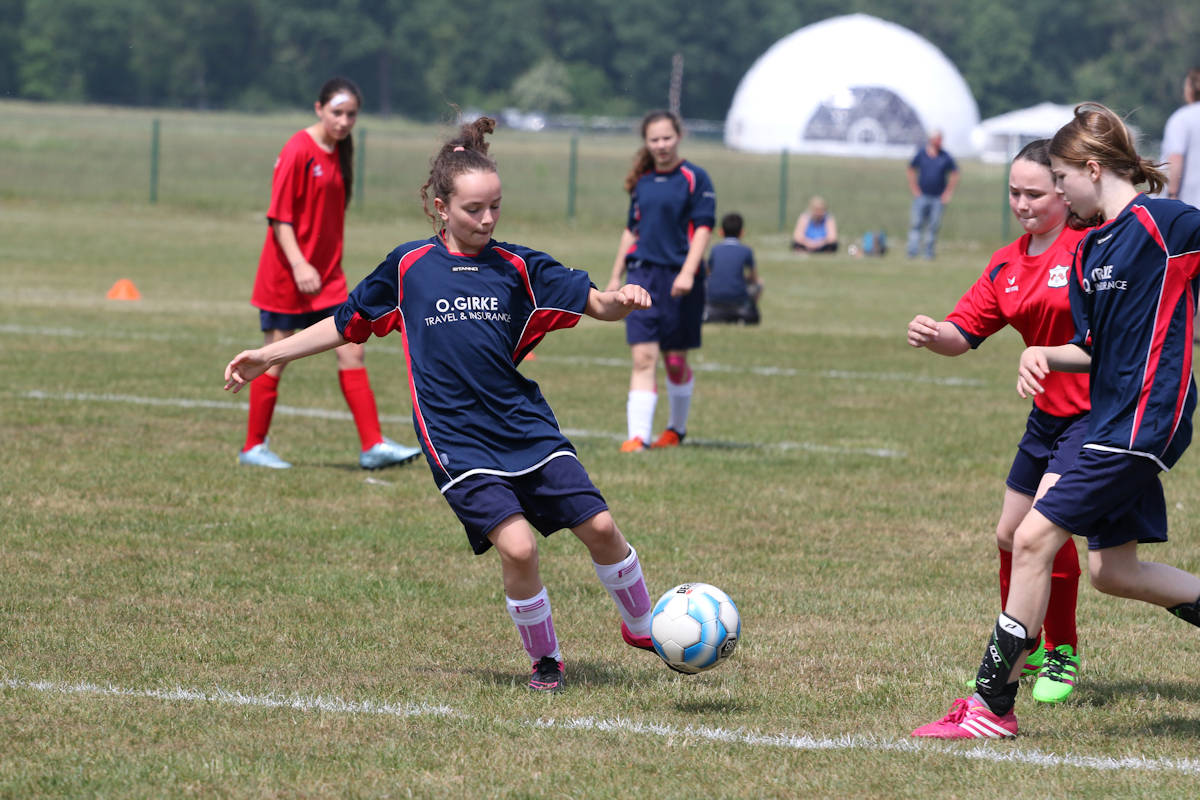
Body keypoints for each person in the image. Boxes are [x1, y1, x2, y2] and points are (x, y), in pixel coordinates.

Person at [225, 117, 660, 693]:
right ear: (440, 206)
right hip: (455, 436)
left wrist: (621, 299)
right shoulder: (408, 269)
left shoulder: (519, 268)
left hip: (523, 423)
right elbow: (345, 324)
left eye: (495, 208)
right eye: (474, 209)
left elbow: (597, 304)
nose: (486, 220)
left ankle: (643, 625)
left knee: (602, 527)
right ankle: (546, 660)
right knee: (519, 545)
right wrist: (268, 353)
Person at [913, 103, 1200, 739]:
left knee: (1034, 538)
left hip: (1144, 418)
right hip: (1108, 417)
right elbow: (1093, 346)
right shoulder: (1097, 244)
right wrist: (1042, 351)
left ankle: (991, 706)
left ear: (1091, 170)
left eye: (1061, 180)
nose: (1058, 196)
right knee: (1113, 572)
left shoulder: (1166, 222)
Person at [906, 139, 1088, 705]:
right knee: (1009, 533)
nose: (1022, 203)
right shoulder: (1007, 263)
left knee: (1044, 532)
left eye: (1035, 192)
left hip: (1094, 416)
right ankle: (1021, 647)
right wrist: (936, 334)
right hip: (1046, 417)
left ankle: (1061, 649)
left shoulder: (1090, 250)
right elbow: (964, 334)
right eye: (1014, 192)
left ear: (1065, 189)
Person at [239, 77, 421, 471]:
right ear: (318, 109)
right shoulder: (297, 149)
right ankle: (253, 447)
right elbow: (279, 217)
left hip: (328, 278)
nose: (343, 121)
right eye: (337, 112)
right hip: (289, 275)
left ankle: (372, 445)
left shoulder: (340, 150)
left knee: (352, 346)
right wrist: (300, 263)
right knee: (275, 356)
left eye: (351, 114)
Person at [607, 110, 716, 452]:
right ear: (647, 143)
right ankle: (637, 437)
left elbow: (703, 228)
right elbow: (631, 231)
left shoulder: (695, 178)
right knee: (642, 358)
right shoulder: (642, 183)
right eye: (654, 140)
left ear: (678, 137)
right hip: (642, 275)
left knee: (674, 360)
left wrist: (687, 272)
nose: (661, 145)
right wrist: (615, 276)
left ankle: (675, 430)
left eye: (667, 138)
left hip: (679, 279)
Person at [905, 129, 959, 259]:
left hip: (938, 198)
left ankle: (928, 254)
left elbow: (954, 173)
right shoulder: (922, 154)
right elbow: (911, 169)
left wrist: (948, 192)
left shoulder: (945, 156)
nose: (940, 141)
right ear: (932, 139)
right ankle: (912, 252)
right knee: (916, 224)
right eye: (938, 138)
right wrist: (914, 188)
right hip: (921, 196)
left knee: (933, 226)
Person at [704, 212, 762, 325]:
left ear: (721, 232)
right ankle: (749, 310)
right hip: (738, 299)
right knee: (760, 283)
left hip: (714, 299)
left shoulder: (715, 249)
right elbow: (754, 278)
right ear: (742, 233)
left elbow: (708, 272)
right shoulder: (746, 250)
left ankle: (707, 309)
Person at [1162, 67, 1200, 208]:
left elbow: (1176, 157)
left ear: (1190, 89)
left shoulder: (1182, 118)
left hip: (1189, 204)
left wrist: (1172, 195)